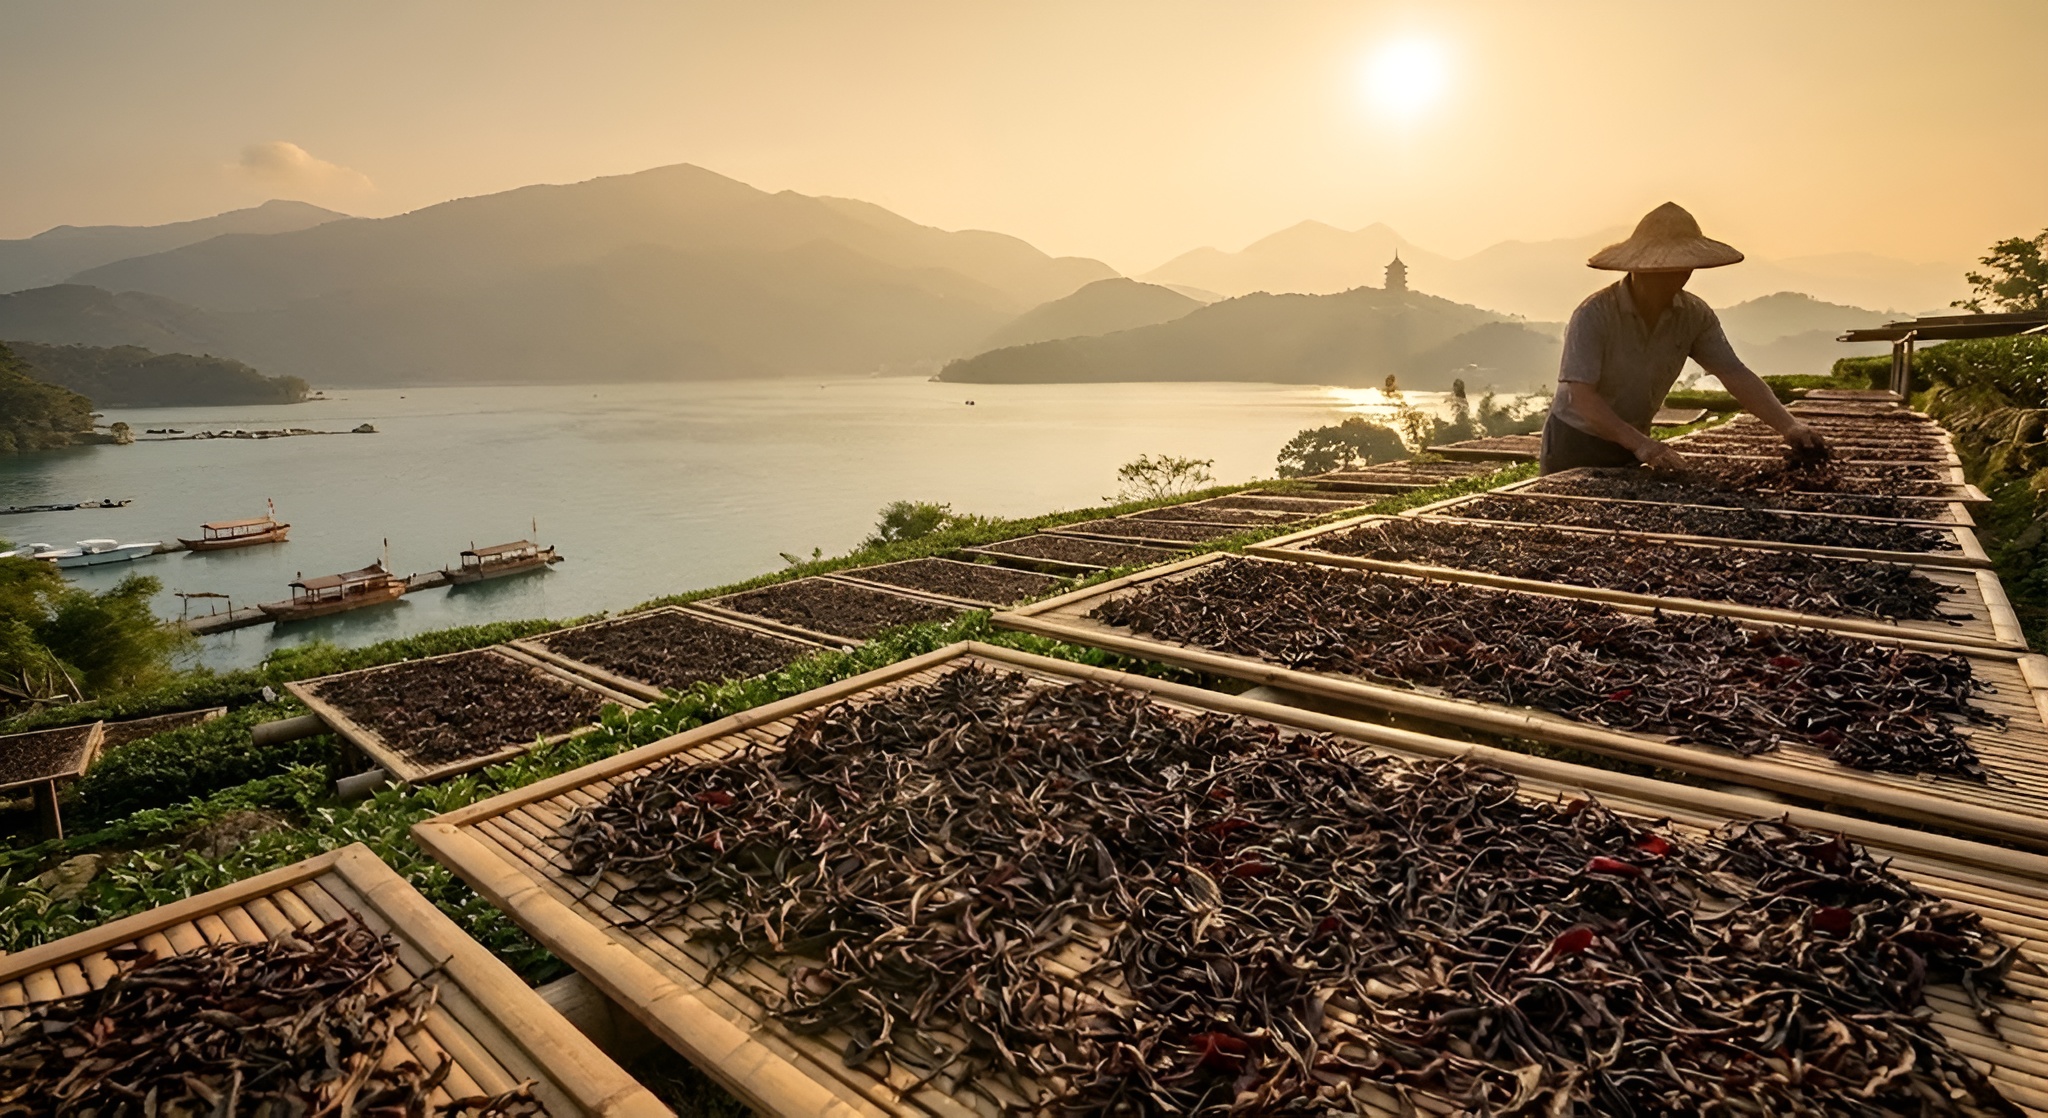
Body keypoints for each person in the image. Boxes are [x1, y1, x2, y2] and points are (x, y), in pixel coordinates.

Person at [1540, 202, 1829, 475]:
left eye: (1681, 269)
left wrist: (1789, 426)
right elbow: (1580, 398)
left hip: (1632, 438)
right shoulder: (1594, 314)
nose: (1674, 278)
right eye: (1663, 271)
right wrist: (1641, 444)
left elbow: (1733, 372)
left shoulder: (1694, 315)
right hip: (1577, 440)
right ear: (1638, 268)